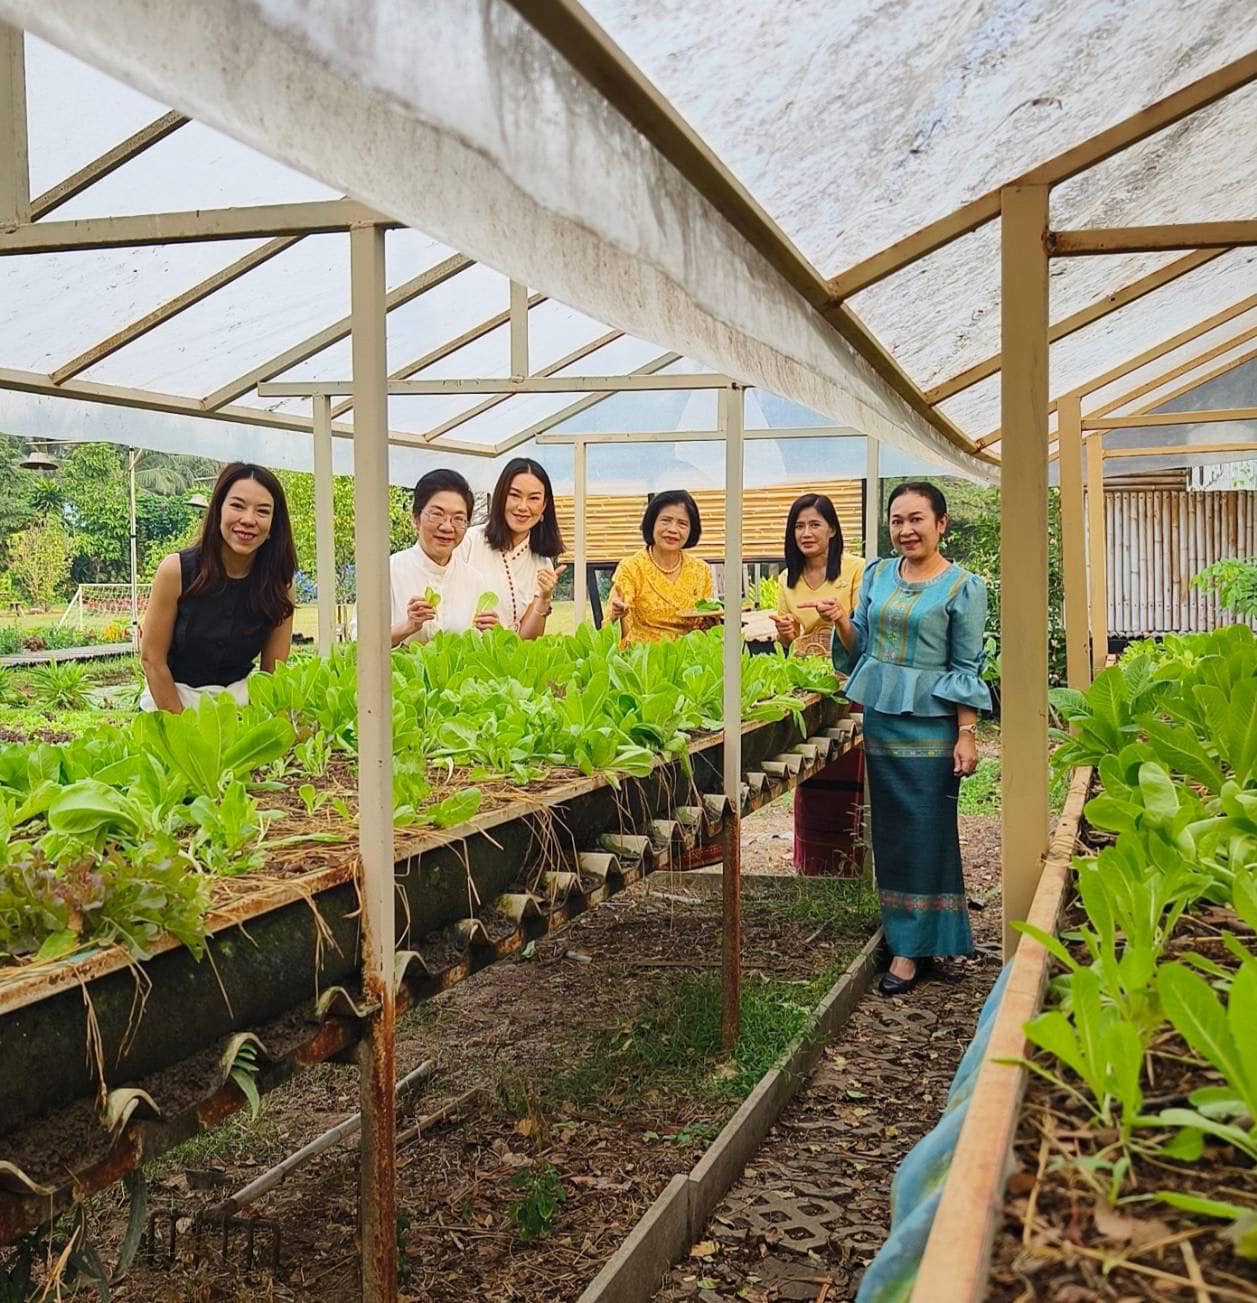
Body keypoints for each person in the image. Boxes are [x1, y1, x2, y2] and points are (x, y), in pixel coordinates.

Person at [825, 481, 990, 996]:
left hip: (933, 728)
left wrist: (967, 734)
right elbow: (863, 643)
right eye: (897, 520)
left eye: (917, 519)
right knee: (893, 834)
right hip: (883, 721)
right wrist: (840, 623)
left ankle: (913, 948)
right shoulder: (876, 573)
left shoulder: (964, 586)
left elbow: (966, 667)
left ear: (941, 524)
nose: (906, 530)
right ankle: (911, 936)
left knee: (929, 830)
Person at [140, 462, 296, 712]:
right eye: (237, 506)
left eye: (263, 511)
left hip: (238, 709)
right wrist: (184, 729)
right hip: (169, 703)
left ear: (273, 525)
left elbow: (272, 671)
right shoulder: (176, 571)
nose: (248, 520)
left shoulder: (279, 583)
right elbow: (152, 659)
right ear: (219, 511)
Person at [389, 469, 501, 647]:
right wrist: (408, 626)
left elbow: (478, 647)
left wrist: (491, 633)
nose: (447, 527)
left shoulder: (474, 580)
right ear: (416, 519)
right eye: (437, 514)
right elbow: (360, 643)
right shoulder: (389, 571)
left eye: (458, 518)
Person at [457, 458, 566, 638]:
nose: (522, 507)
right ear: (500, 497)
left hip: (506, 663)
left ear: (544, 506)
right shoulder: (469, 542)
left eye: (533, 498)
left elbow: (527, 641)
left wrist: (544, 598)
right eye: (514, 495)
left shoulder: (542, 562)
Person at [607, 490, 714, 644]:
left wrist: (712, 621)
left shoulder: (701, 570)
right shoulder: (631, 567)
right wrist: (617, 614)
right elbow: (610, 626)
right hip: (644, 659)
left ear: (692, 530)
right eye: (666, 520)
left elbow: (706, 628)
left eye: (682, 524)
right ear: (652, 523)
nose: (673, 529)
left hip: (690, 658)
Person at [771, 493, 865, 657]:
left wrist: (839, 617)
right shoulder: (786, 578)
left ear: (832, 530)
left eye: (815, 525)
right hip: (806, 667)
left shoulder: (858, 568)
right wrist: (786, 633)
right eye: (799, 526)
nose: (806, 533)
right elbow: (789, 642)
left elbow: (863, 638)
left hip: (848, 667)